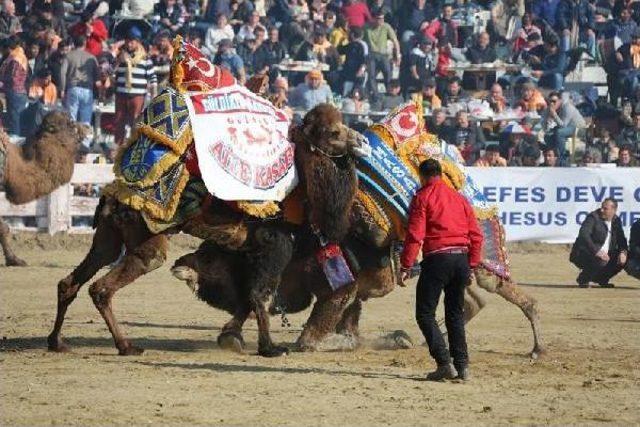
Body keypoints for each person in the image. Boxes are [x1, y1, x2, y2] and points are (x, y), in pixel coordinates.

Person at [400, 159, 483, 381]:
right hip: (461, 260)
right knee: (454, 315)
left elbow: (415, 234)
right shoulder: (460, 199)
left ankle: (444, 363)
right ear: (441, 174)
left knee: (425, 314)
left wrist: (406, 264)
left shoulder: (422, 197)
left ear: (422, 176)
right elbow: (476, 235)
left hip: (437, 259)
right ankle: (463, 367)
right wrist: (472, 264)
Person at [570, 198, 628, 288]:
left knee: (626, 258)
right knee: (602, 259)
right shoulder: (593, 217)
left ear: (614, 210)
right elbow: (584, 235)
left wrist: (623, 252)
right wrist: (596, 251)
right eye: (602, 207)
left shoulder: (616, 221)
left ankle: (602, 279)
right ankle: (583, 279)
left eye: (605, 208)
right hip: (585, 253)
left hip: (606, 254)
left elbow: (622, 240)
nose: (602, 210)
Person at [114, 27, 157, 146]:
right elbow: (112, 74)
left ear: (138, 42)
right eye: (127, 41)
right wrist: (118, 62)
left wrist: (153, 96)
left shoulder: (145, 59)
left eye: (132, 41)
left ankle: (134, 147)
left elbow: (152, 78)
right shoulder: (120, 57)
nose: (129, 43)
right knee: (119, 121)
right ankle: (118, 147)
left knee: (136, 121)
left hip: (137, 95)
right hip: (121, 94)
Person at [60, 35, 99, 126]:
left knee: (71, 120)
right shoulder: (91, 57)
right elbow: (97, 75)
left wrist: (62, 89)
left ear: (73, 43)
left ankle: (71, 139)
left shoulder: (68, 56)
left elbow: (62, 73)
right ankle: (85, 140)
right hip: (87, 90)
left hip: (73, 88)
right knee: (85, 121)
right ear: (85, 44)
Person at [364, 8, 400, 101]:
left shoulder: (386, 26)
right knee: (371, 75)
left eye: (382, 19)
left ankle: (390, 93)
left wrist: (398, 55)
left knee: (388, 72)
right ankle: (375, 96)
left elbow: (395, 41)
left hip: (383, 54)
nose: (381, 21)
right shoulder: (366, 27)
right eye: (379, 19)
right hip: (371, 54)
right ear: (373, 19)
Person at [541, 91, 586, 165]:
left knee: (559, 133)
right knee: (548, 135)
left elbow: (563, 126)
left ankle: (562, 157)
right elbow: (545, 129)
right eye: (550, 102)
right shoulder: (550, 108)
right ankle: (553, 155)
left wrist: (554, 115)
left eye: (554, 101)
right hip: (566, 128)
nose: (551, 103)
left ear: (560, 101)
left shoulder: (567, 107)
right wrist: (546, 119)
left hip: (578, 128)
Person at [338, 26, 368, 96]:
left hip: (358, 75)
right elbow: (340, 50)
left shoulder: (362, 45)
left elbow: (365, 60)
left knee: (357, 94)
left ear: (352, 34)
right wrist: (341, 41)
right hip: (349, 74)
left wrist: (361, 71)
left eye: (349, 34)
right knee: (346, 93)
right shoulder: (350, 45)